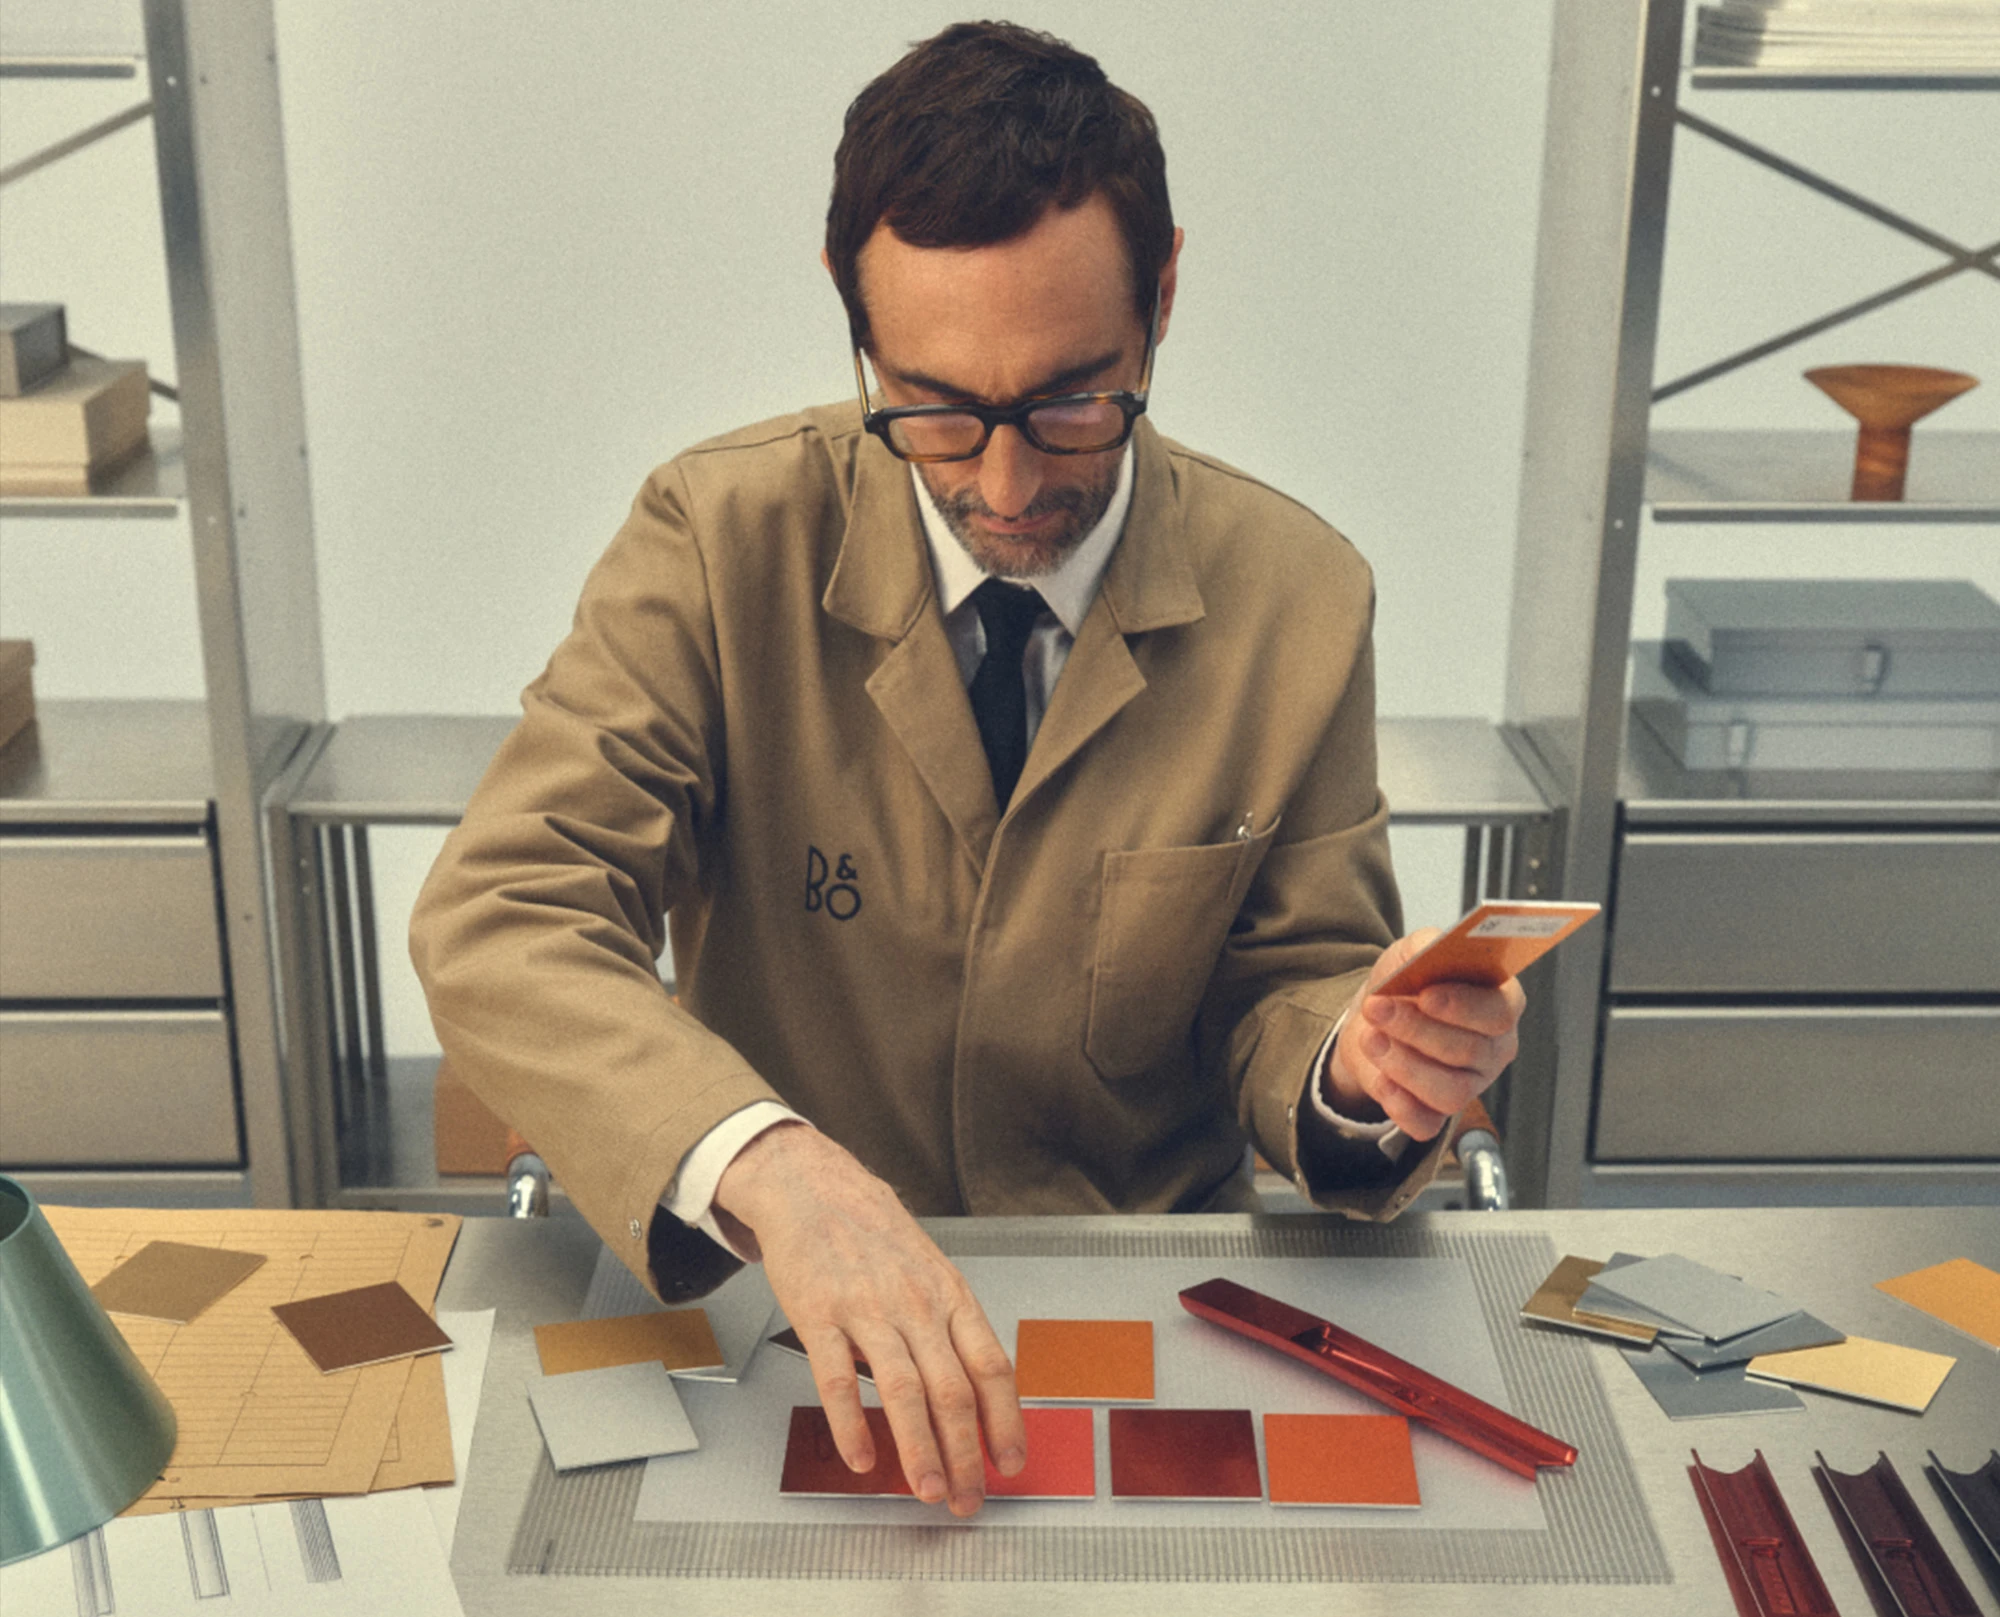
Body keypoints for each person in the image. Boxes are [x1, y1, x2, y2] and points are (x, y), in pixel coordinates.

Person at [410, 22, 1524, 1521]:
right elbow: (501, 915)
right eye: (934, 405)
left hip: (1155, 1313)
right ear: (853, 314)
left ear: (1163, 297)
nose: (1005, 484)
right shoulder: (718, 540)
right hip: (785, 1317)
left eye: (1072, 400)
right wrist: (776, 1170)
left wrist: (1363, 1072)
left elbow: (1293, 988)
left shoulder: (1300, 595)